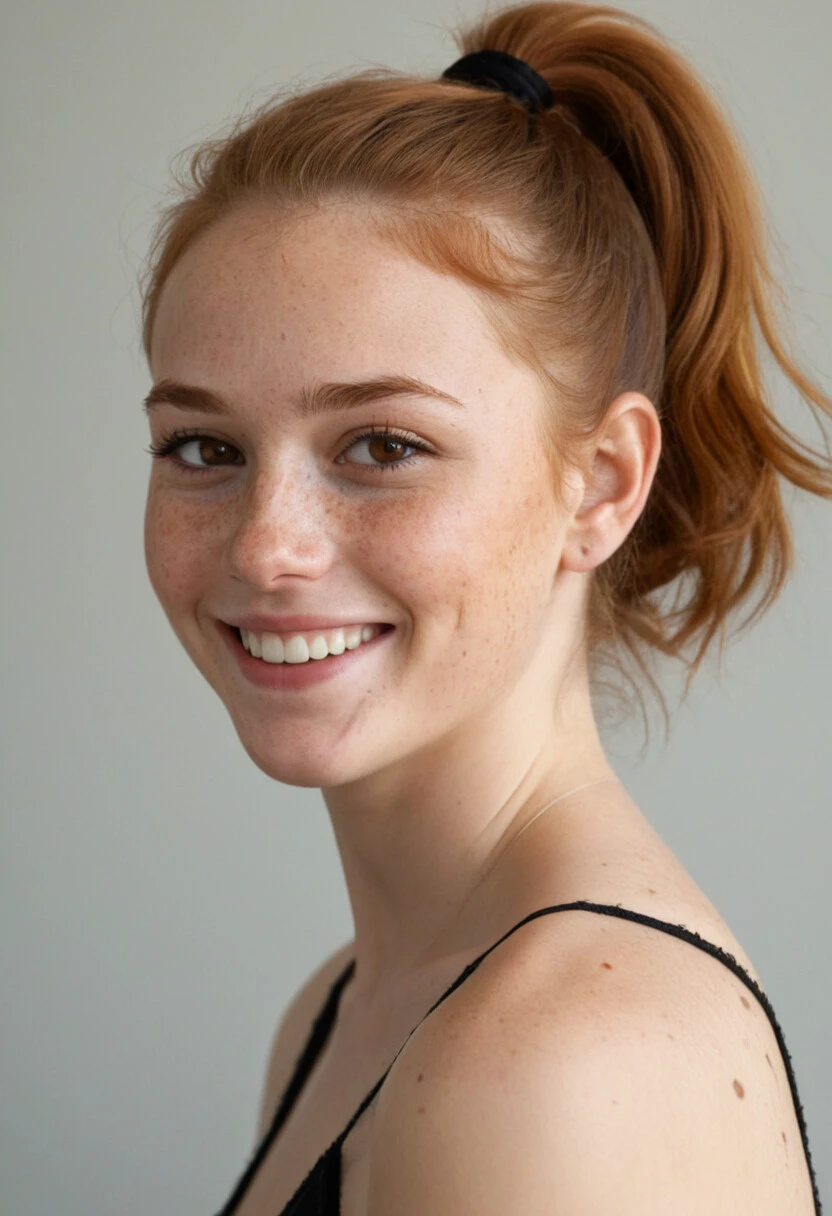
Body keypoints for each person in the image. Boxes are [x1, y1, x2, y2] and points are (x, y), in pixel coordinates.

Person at [139, 2, 829, 1211]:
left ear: (600, 484)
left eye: (384, 444)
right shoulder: (345, 1006)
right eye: (203, 447)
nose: (266, 544)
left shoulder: (554, 1064)